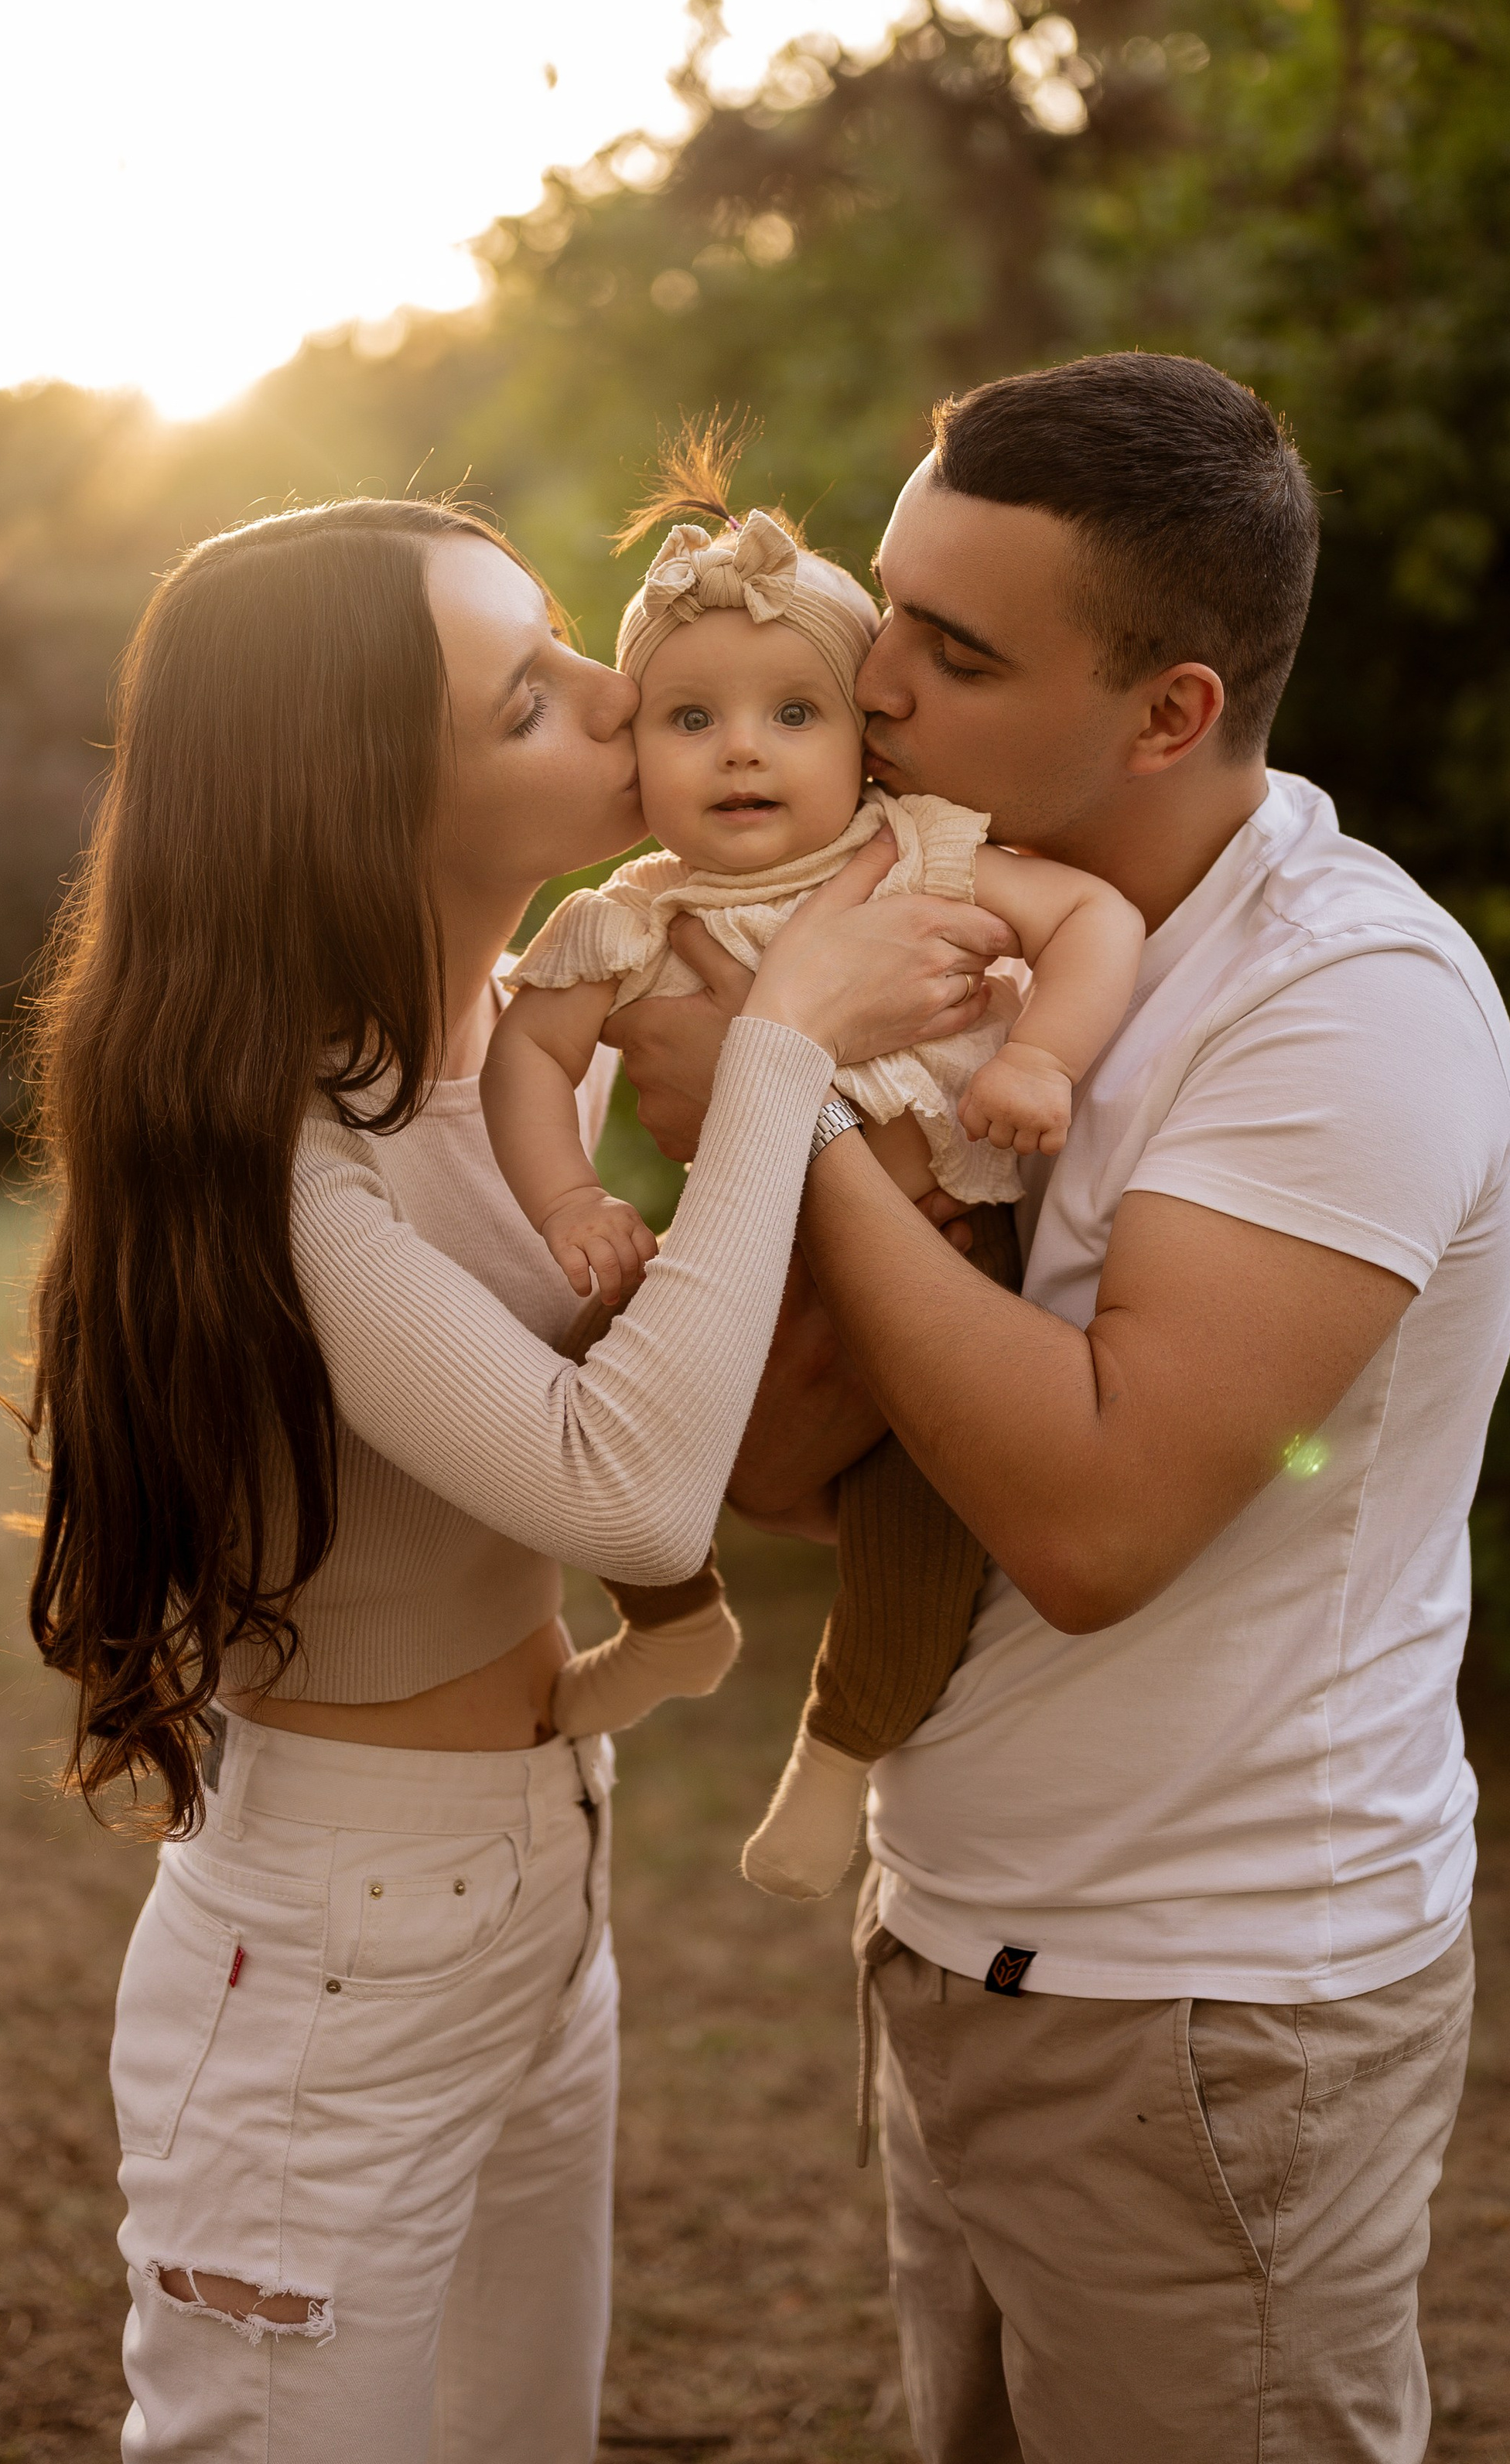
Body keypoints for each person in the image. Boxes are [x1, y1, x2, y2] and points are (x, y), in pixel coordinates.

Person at [12, 495, 1011, 2464]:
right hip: (334, 1945)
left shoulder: (485, 1068)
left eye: (572, 647)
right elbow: (629, 1496)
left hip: (538, 1866)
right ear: (359, 791)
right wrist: (788, 1052)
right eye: (526, 694)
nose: (620, 689)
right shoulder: (294, 1158)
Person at [608, 354, 1510, 2464]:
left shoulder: (1344, 1008)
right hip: (950, 1937)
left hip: (1213, 2007)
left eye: (953, 648)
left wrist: (784, 1108)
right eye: (883, 604)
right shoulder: (923, 920)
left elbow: (1098, 1522)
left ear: (1170, 711)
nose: (875, 678)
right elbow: (771, 1476)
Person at [483, 456, 1142, 1899]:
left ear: (867, 743)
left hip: (940, 1252)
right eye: (689, 717)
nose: (741, 751)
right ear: (635, 749)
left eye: (794, 715)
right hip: (739, 1264)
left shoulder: (918, 854)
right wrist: (573, 1203)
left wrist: (1042, 1058)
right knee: (575, 1379)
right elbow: (525, 1063)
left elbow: (1092, 915)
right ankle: (672, 1620)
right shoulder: (627, 916)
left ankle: (844, 1751)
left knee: (925, 1501)